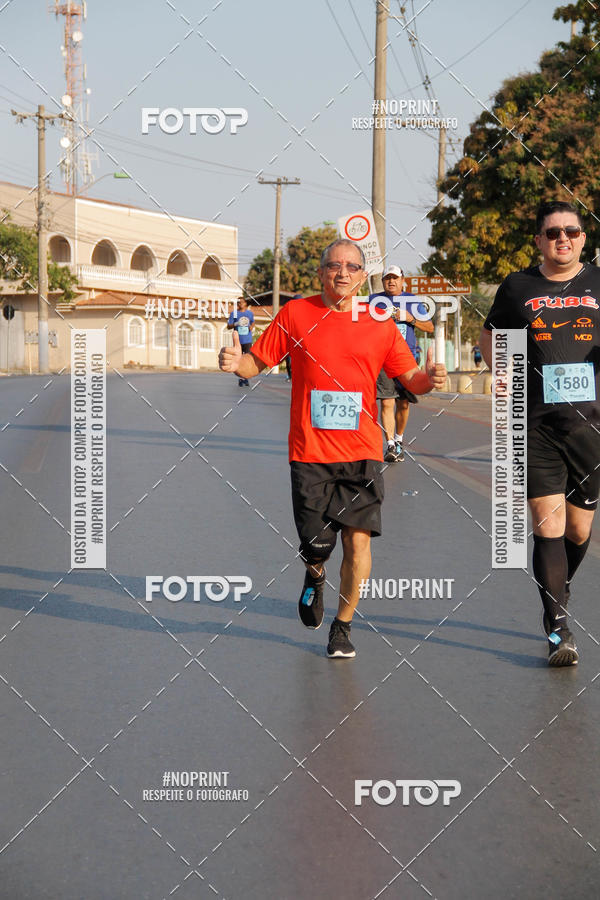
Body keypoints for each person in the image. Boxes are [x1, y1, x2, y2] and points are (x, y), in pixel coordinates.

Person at [219, 239, 446, 658]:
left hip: (362, 450)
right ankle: (315, 572)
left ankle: (342, 626)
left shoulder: (380, 321)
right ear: (320, 272)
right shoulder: (295, 314)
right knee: (317, 545)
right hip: (309, 452)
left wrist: (430, 380)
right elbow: (257, 362)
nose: (343, 272)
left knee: (359, 542)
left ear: (363, 277)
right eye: (334, 265)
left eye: (352, 267)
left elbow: (410, 377)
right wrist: (237, 363)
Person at [480, 200, 600, 667]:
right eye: (552, 233)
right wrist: (504, 378)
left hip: (593, 428)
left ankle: (558, 588)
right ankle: (557, 626)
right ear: (539, 241)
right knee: (546, 524)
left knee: (579, 526)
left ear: (583, 238)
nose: (562, 239)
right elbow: (491, 335)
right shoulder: (518, 287)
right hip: (535, 424)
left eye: (571, 231)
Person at [371, 266, 434, 462]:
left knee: (404, 404)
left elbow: (429, 327)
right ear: (382, 282)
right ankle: (390, 445)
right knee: (387, 401)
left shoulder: (412, 300)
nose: (391, 281)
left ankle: (399, 439)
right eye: (387, 278)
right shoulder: (374, 300)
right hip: (383, 358)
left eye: (395, 278)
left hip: (407, 359)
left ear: (402, 280)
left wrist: (410, 318)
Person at [227, 297, 255, 386]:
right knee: (238, 360)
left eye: (242, 302)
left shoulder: (249, 313)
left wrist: (251, 327)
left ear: (245, 303)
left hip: (247, 340)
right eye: (238, 302)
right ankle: (240, 378)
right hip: (238, 340)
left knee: (247, 360)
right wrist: (236, 323)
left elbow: (253, 322)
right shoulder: (234, 314)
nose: (240, 304)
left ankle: (245, 378)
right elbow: (228, 326)